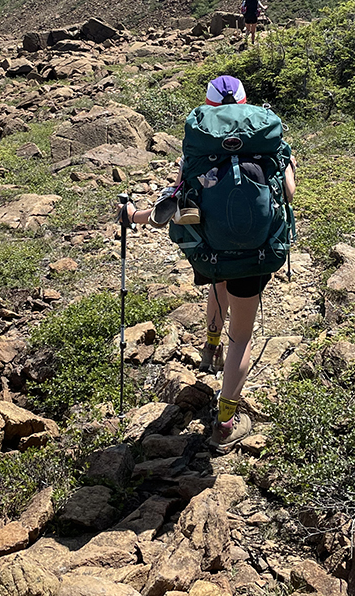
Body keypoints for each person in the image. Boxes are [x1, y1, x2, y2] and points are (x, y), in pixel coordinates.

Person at [118, 74, 296, 452]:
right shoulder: (269, 143)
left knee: (218, 286)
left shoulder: (198, 150)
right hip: (257, 253)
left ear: (210, 107)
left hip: (212, 249)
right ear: (245, 104)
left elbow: (176, 202)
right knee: (243, 337)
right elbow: (290, 192)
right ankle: (226, 423)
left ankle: (209, 350)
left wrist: (133, 215)